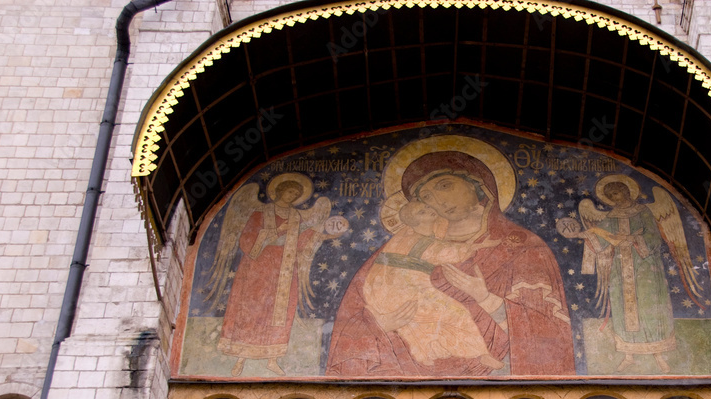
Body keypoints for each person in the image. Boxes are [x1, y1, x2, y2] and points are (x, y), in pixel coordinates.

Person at [327, 140, 575, 377]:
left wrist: (486, 298)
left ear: (476, 184)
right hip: (400, 373)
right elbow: (353, 318)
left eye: (444, 185)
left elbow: (550, 334)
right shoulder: (395, 251)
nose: (438, 201)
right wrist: (379, 325)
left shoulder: (520, 247)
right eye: (425, 198)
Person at [207, 173, 348, 377]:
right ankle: (240, 359)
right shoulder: (260, 212)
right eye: (290, 191)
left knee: (280, 312)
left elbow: (302, 239)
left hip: (284, 267)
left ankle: (272, 360)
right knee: (251, 308)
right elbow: (246, 240)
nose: (292, 196)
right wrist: (275, 232)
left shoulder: (295, 216)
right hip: (257, 267)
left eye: (296, 194)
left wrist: (326, 235)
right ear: (280, 191)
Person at [559, 176, 703, 373]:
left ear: (627, 191)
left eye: (617, 193)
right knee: (622, 308)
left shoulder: (644, 212)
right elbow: (603, 243)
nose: (616, 198)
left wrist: (636, 241)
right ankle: (628, 356)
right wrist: (584, 236)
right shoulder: (611, 217)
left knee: (650, 307)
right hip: (620, 270)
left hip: (646, 269)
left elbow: (654, 237)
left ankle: (659, 356)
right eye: (611, 196)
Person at [362, 198, 504, 369]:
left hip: (385, 290)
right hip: (403, 287)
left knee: (418, 323)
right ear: (414, 221)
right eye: (422, 211)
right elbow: (445, 252)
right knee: (457, 314)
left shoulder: (407, 235)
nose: (429, 210)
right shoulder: (418, 240)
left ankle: (425, 354)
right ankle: (480, 354)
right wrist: (477, 246)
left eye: (428, 206)